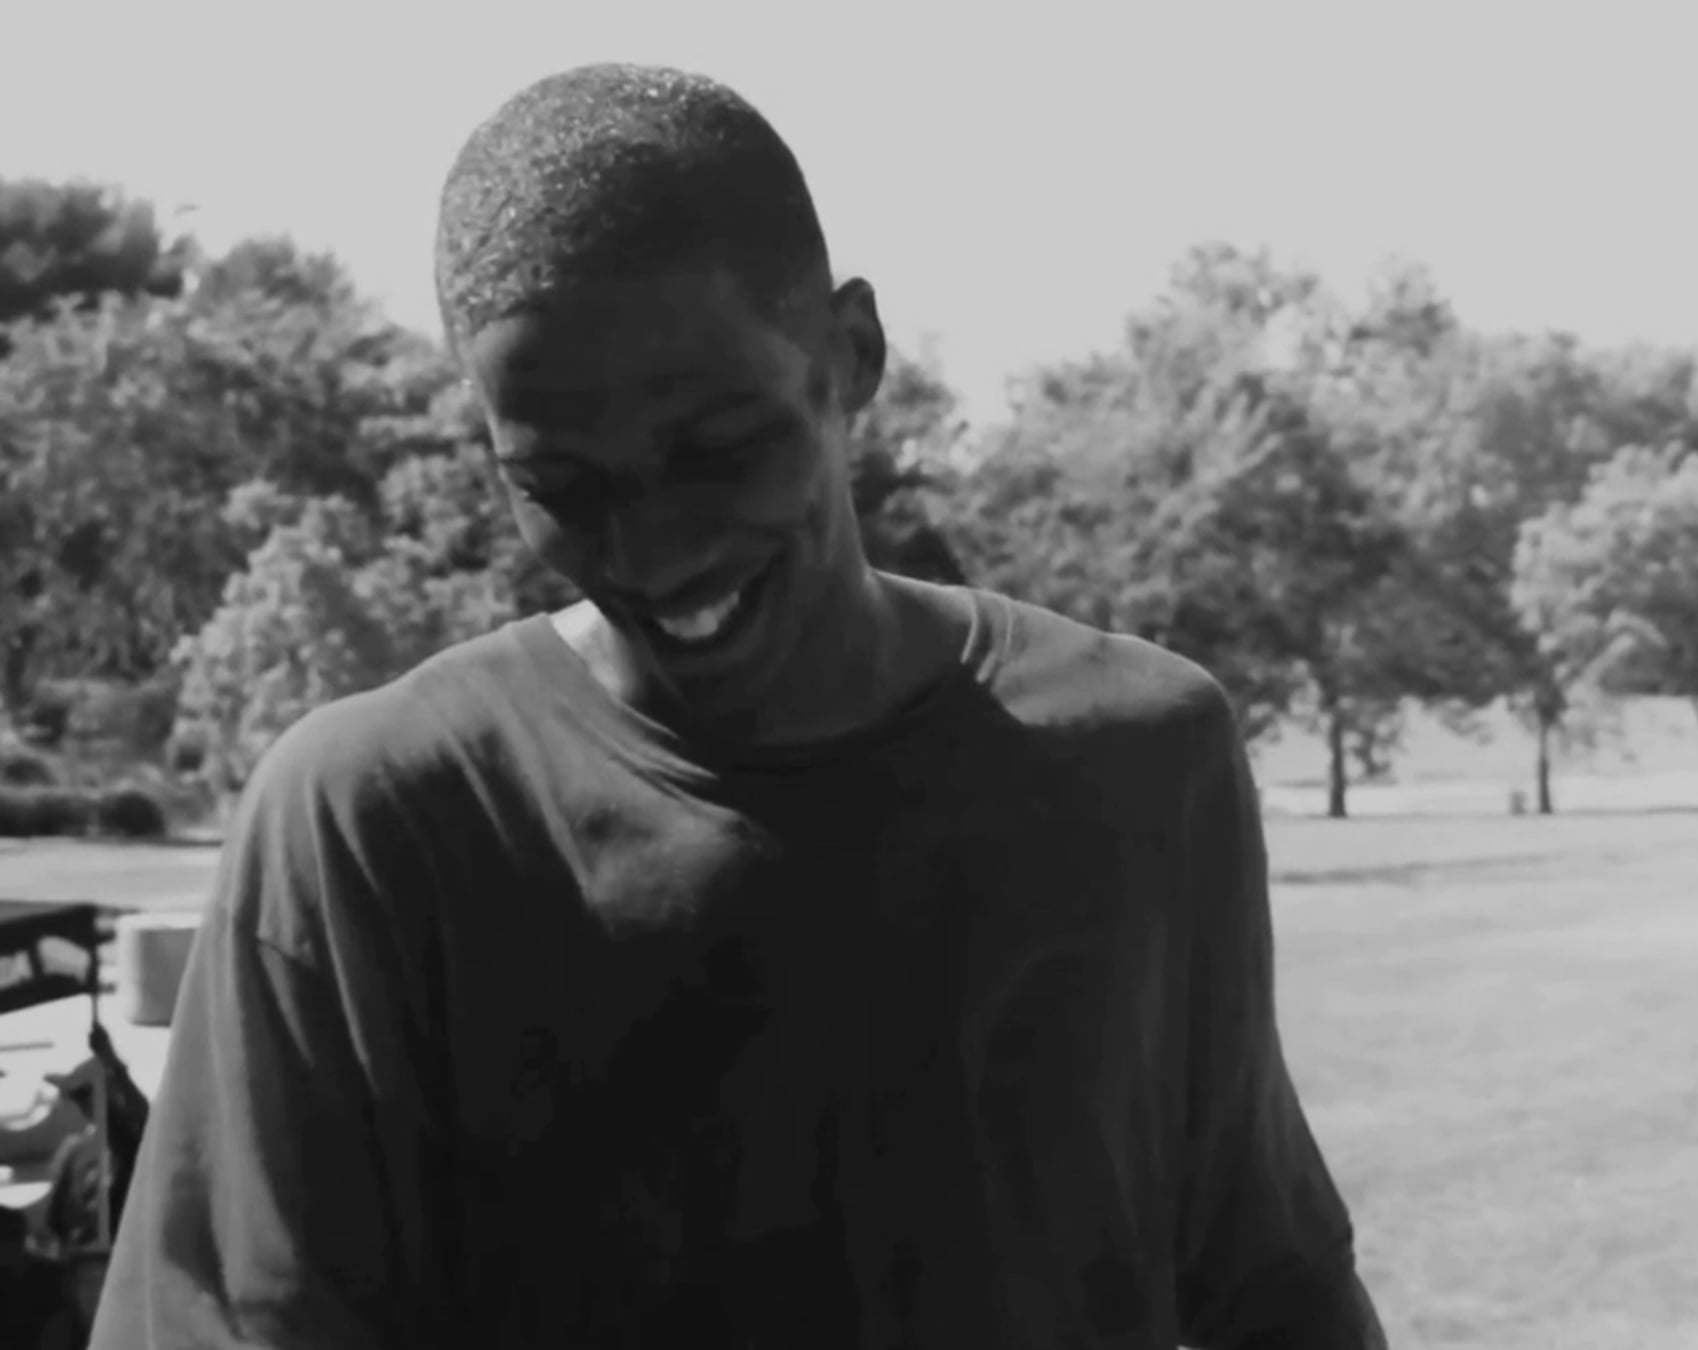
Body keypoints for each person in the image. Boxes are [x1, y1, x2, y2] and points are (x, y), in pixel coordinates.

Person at [89, 62, 1384, 1349]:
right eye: (560, 486)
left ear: (852, 356)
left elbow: (1272, 1286)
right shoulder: (378, 824)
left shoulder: (1138, 759)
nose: (651, 551)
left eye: (718, 449)